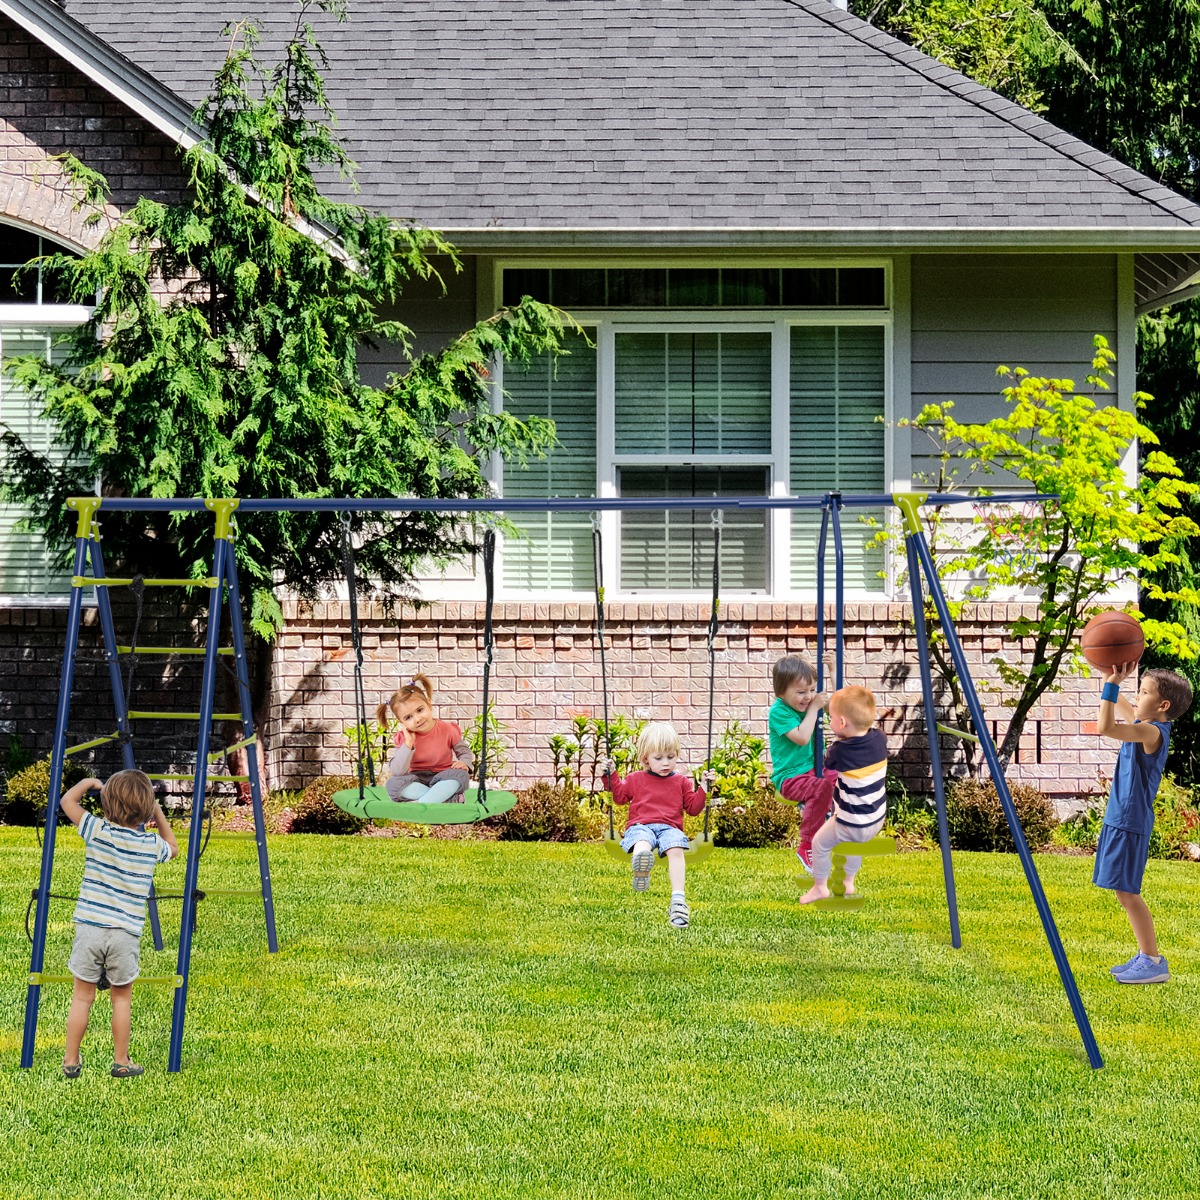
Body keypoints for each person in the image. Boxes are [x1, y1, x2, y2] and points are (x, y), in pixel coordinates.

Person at [59, 769, 178, 1079]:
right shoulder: (150, 846)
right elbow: (174, 848)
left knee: (82, 997)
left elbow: (67, 802)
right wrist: (158, 812)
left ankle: (71, 1059)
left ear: (106, 803)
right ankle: (121, 1060)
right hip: (125, 934)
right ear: (145, 809)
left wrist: (89, 784)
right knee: (121, 999)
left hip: (91, 928)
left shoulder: (97, 830)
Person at [1094, 662, 1193, 984]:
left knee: (1127, 892)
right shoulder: (1144, 723)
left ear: (1163, 705)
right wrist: (1110, 679)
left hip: (1130, 820)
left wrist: (1111, 688)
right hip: (1121, 818)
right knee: (1123, 891)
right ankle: (1146, 955)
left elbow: (1106, 727)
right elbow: (1122, 709)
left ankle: (1152, 960)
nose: (1137, 696)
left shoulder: (1151, 731)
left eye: (1144, 692)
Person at [603, 722, 715, 929]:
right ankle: (641, 867)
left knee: (676, 849)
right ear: (646, 758)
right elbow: (619, 797)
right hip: (641, 825)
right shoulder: (635, 779)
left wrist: (704, 789)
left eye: (671, 757)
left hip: (669, 828)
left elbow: (692, 808)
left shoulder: (681, 781)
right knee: (642, 842)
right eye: (659, 758)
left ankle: (678, 900)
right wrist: (611, 775)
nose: (666, 763)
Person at [799, 686, 888, 905]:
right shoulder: (880, 738)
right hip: (876, 818)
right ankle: (848, 881)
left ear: (841, 724)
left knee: (819, 844)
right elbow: (859, 716)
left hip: (852, 822)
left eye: (831, 719)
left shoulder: (840, 749)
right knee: (853, 845)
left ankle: (819, 887)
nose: (829, 723)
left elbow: (828, 763)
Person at [769, 654, 835, 873]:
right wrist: (814, 709)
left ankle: (832, 816)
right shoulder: (779, 712)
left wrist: (833, 671)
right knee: (822, 786)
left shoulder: (809, 703)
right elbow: (802, 737)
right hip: (791, 777)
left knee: (842, 775)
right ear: (781, 693)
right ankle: (807, 845)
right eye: (800, 692)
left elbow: (838, 708)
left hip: (815, 770)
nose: (807, 697)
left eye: (811, 690)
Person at [379, 674, 475, 804]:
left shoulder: (447, 729)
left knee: (461, 775)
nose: (417, 719)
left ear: (429, 705)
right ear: (401, 722)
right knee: (392, 784)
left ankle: (420, 804)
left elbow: (464, 752)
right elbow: (398, 771)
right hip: (417, 779)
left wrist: (464, 762)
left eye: (420, 710)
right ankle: (445, 799)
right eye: (408, 717)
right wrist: (408, 744)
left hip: (444, 777)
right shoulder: (404, 738)